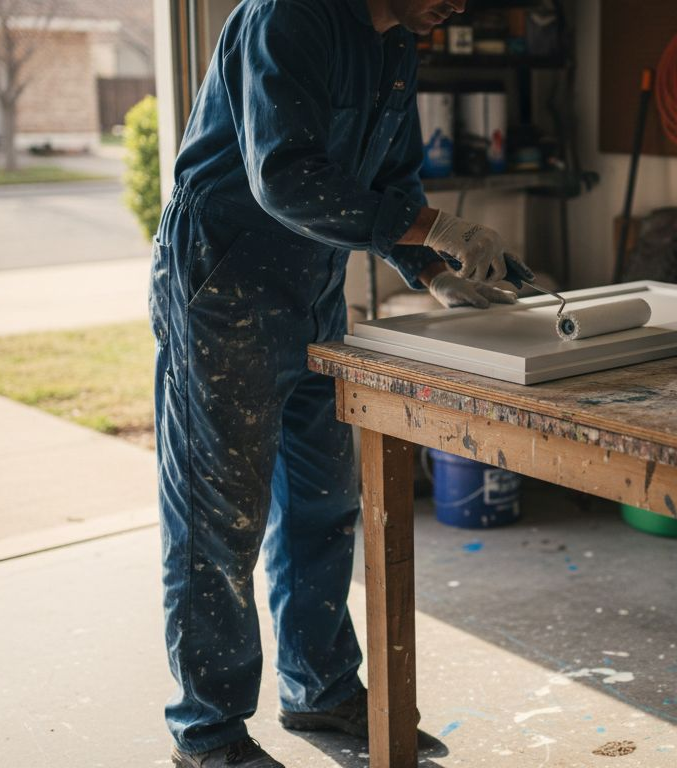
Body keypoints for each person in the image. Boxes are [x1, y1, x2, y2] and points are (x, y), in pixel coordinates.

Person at [148, 0, 528, 765]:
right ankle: (209, 730)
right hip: (225, 281)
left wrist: (432, 268)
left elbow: (391, 178)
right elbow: (286, 178)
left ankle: (318, 690)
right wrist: (436, 231)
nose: (455, 6)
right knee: (220, 524)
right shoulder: (287, 16)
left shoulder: (396, 41)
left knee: (325, 503)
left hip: (314, 286)